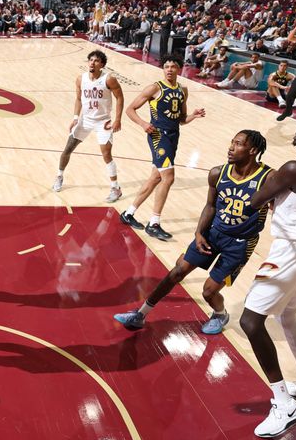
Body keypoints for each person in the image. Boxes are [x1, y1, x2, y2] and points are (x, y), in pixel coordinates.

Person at [114, 131, 273, 334]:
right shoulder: (218, 173)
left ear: (253, 150)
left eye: (238, 144)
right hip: (213, 233)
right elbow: (210, 206)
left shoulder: (268, 178)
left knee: (208, 292)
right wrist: (199, 233)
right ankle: (140, 314)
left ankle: (220, 314)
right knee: (177, 271)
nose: (231, 147)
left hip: (240, 243)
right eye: (231, 142)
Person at [239, 113, 296, 439]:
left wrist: (274, 193)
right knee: (288, 316)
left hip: (292, 250)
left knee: (251, 321)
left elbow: (254, 202)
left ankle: (283, 402)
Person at [120, 54, 206, 240]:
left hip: (174, 136)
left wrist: (193, 115)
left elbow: (181, 120)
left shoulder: (183, 90)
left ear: (179, 69)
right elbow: (130, 109)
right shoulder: (155, 88)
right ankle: (154, 223)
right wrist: (143, 124)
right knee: (168, 177)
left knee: (155, 178)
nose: (169, 69)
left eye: (173, 66)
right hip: (159, 136)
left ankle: (128, 213)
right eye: (166, 66)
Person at [52, 50, 125, 203]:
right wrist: (75, 118)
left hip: (103, 121)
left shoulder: (109, 79)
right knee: (67, 149)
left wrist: (118, 119)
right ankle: (59, 176)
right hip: (85, 120)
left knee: (106, 154)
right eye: (90, 60)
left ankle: (115, 188)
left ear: (102, 65)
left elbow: (120, 98)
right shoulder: (81, 79)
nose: (92, 63)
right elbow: (78, 99)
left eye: (96, 61)